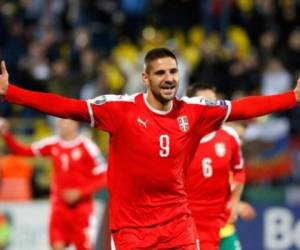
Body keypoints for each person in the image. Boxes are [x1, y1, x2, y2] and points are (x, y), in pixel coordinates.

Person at [0, 47, 299, 249]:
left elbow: (241, 109)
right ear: (145, 78)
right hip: (132, 231)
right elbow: (67, 107)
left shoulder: (193, 111)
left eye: (173, 72)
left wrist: (293, 97)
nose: (169, 79)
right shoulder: (119, 110)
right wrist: (12, 93)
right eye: (160, 73)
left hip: (178, 224)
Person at [0, 118, 107, 250]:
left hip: (82, 210)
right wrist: (6, 134)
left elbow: (104, 176)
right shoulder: (52, 143)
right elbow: (22, 151)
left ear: (75, 124)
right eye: (59, 121)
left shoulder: (88, 147)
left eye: (64, 121)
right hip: (59, 208)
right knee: (57, 245)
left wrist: (81, 192)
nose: (60, 124)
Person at [185, 83, 246, 250]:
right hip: (189, 227)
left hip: (222, 225)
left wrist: (234, 201)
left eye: (213, 102)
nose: (209, 108)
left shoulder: (229, 136)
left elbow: (239, 171)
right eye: (203, 102)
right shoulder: (179, 140)